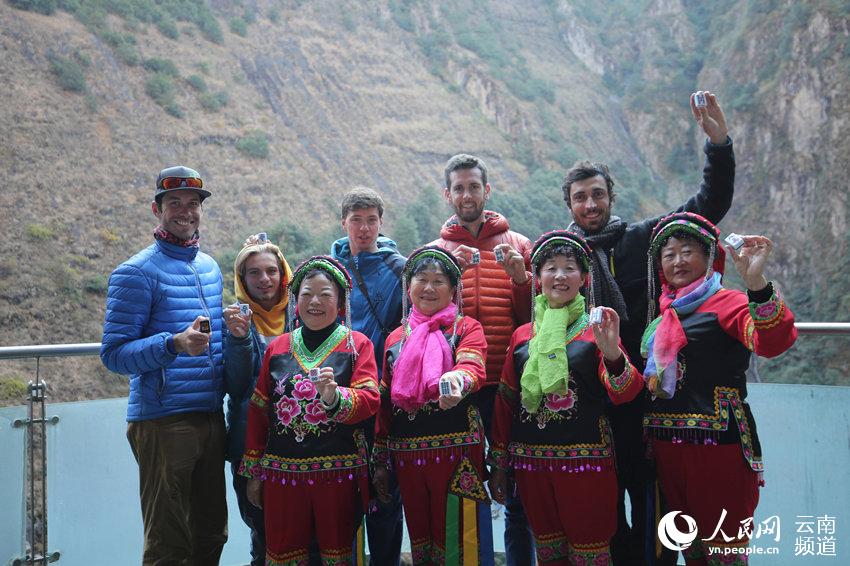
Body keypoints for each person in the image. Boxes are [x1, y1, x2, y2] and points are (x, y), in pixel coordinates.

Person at [562, 92, 735, 565]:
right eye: (580, 197)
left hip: (647, 390)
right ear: (570, 205)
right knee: (605, 498)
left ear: (610, 197)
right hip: (590, 396)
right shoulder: (562, 257)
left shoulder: (643, 240)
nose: (590, 203)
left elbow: (708, 205)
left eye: (597, 194)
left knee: (650, 495)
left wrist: (718, 144)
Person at [640, 212, 796, 563]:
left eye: (687, 251)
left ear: (709, 256)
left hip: (718, 448)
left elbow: (771, 342)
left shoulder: (730, 303)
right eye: (669, 254)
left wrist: (756, 284)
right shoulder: (662, 315)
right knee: (691, 551)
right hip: (668, 450)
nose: (678, 261)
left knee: (723, 552)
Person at [488, 230, 645, 565]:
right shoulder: (521, 336)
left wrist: (613, 354)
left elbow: (626, 391)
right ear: (538, 278)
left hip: (585, 465)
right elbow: (506, 402)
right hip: (531, 466)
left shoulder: (597, 328)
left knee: (590, 554)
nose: (559, 276)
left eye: (569, 268)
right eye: (551, 268)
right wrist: (500, 465)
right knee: (548, 555)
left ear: (584, 278)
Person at [100, 165, 227, 565]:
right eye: (175, 203)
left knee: (211, 533)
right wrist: (172, 344)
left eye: (193, 203)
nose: (185, 211)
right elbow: (114, 354)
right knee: (169, 543)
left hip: (210, 416)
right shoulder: (135, 272)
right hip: (162, 421)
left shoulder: (209, 267)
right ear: (157, 209)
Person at [240, 256, 380, 565]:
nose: (314, 302)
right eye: (306, 294)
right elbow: (260, 410)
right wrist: (254, 472)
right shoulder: (278, 348)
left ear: (341, 302)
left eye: (325, 294)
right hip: (282, 476)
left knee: (336, 555)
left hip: (338, 476)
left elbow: (370, 400)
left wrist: (335, 397)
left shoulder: (357, 345)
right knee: (283, 553)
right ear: (294, 300)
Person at [430, 153, 535, 564]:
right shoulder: (435, 251)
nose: (466, 194)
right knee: (463, 483)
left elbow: (531, 320)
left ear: (486, 190)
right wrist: (446, 278)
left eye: (474, 186)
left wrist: (521, 278)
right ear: (448, 195)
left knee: (516, 486)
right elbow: (423, 319)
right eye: (458, 188)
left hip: (509, 383)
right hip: (458, 386)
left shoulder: (519, 244)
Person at [372, 246, 492, 566]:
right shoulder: (396, 338)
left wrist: (457, 382)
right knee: (422, 541)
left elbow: (473, 366)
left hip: (457, 450)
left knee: (459, 540)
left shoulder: (466, 328)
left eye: (439, 281)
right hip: (408, 454)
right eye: (421, 279)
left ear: (453, 289)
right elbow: (385, 402)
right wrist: (381, 458)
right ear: (408, 287)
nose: (428, 288)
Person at [330, 187, 406, 565]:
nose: (363, 228)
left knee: (384, 495)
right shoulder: (330, 270)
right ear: (343, 222)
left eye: (371, 220)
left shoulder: (398, 268)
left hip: (381, 397)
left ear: (381, 222)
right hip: (333, 399)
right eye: (356, 220)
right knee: (340, 495)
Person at [223, 233, 293, 566]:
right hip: (250, 439)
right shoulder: (235, 320)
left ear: (283, 274)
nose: (264, 279)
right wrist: (238, 341)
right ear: (242, 279)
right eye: (254, 272)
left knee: (302, 530)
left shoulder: (305, 311)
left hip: (300, 440)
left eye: (271, 270)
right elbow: (236, 386)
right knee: (262, 529)